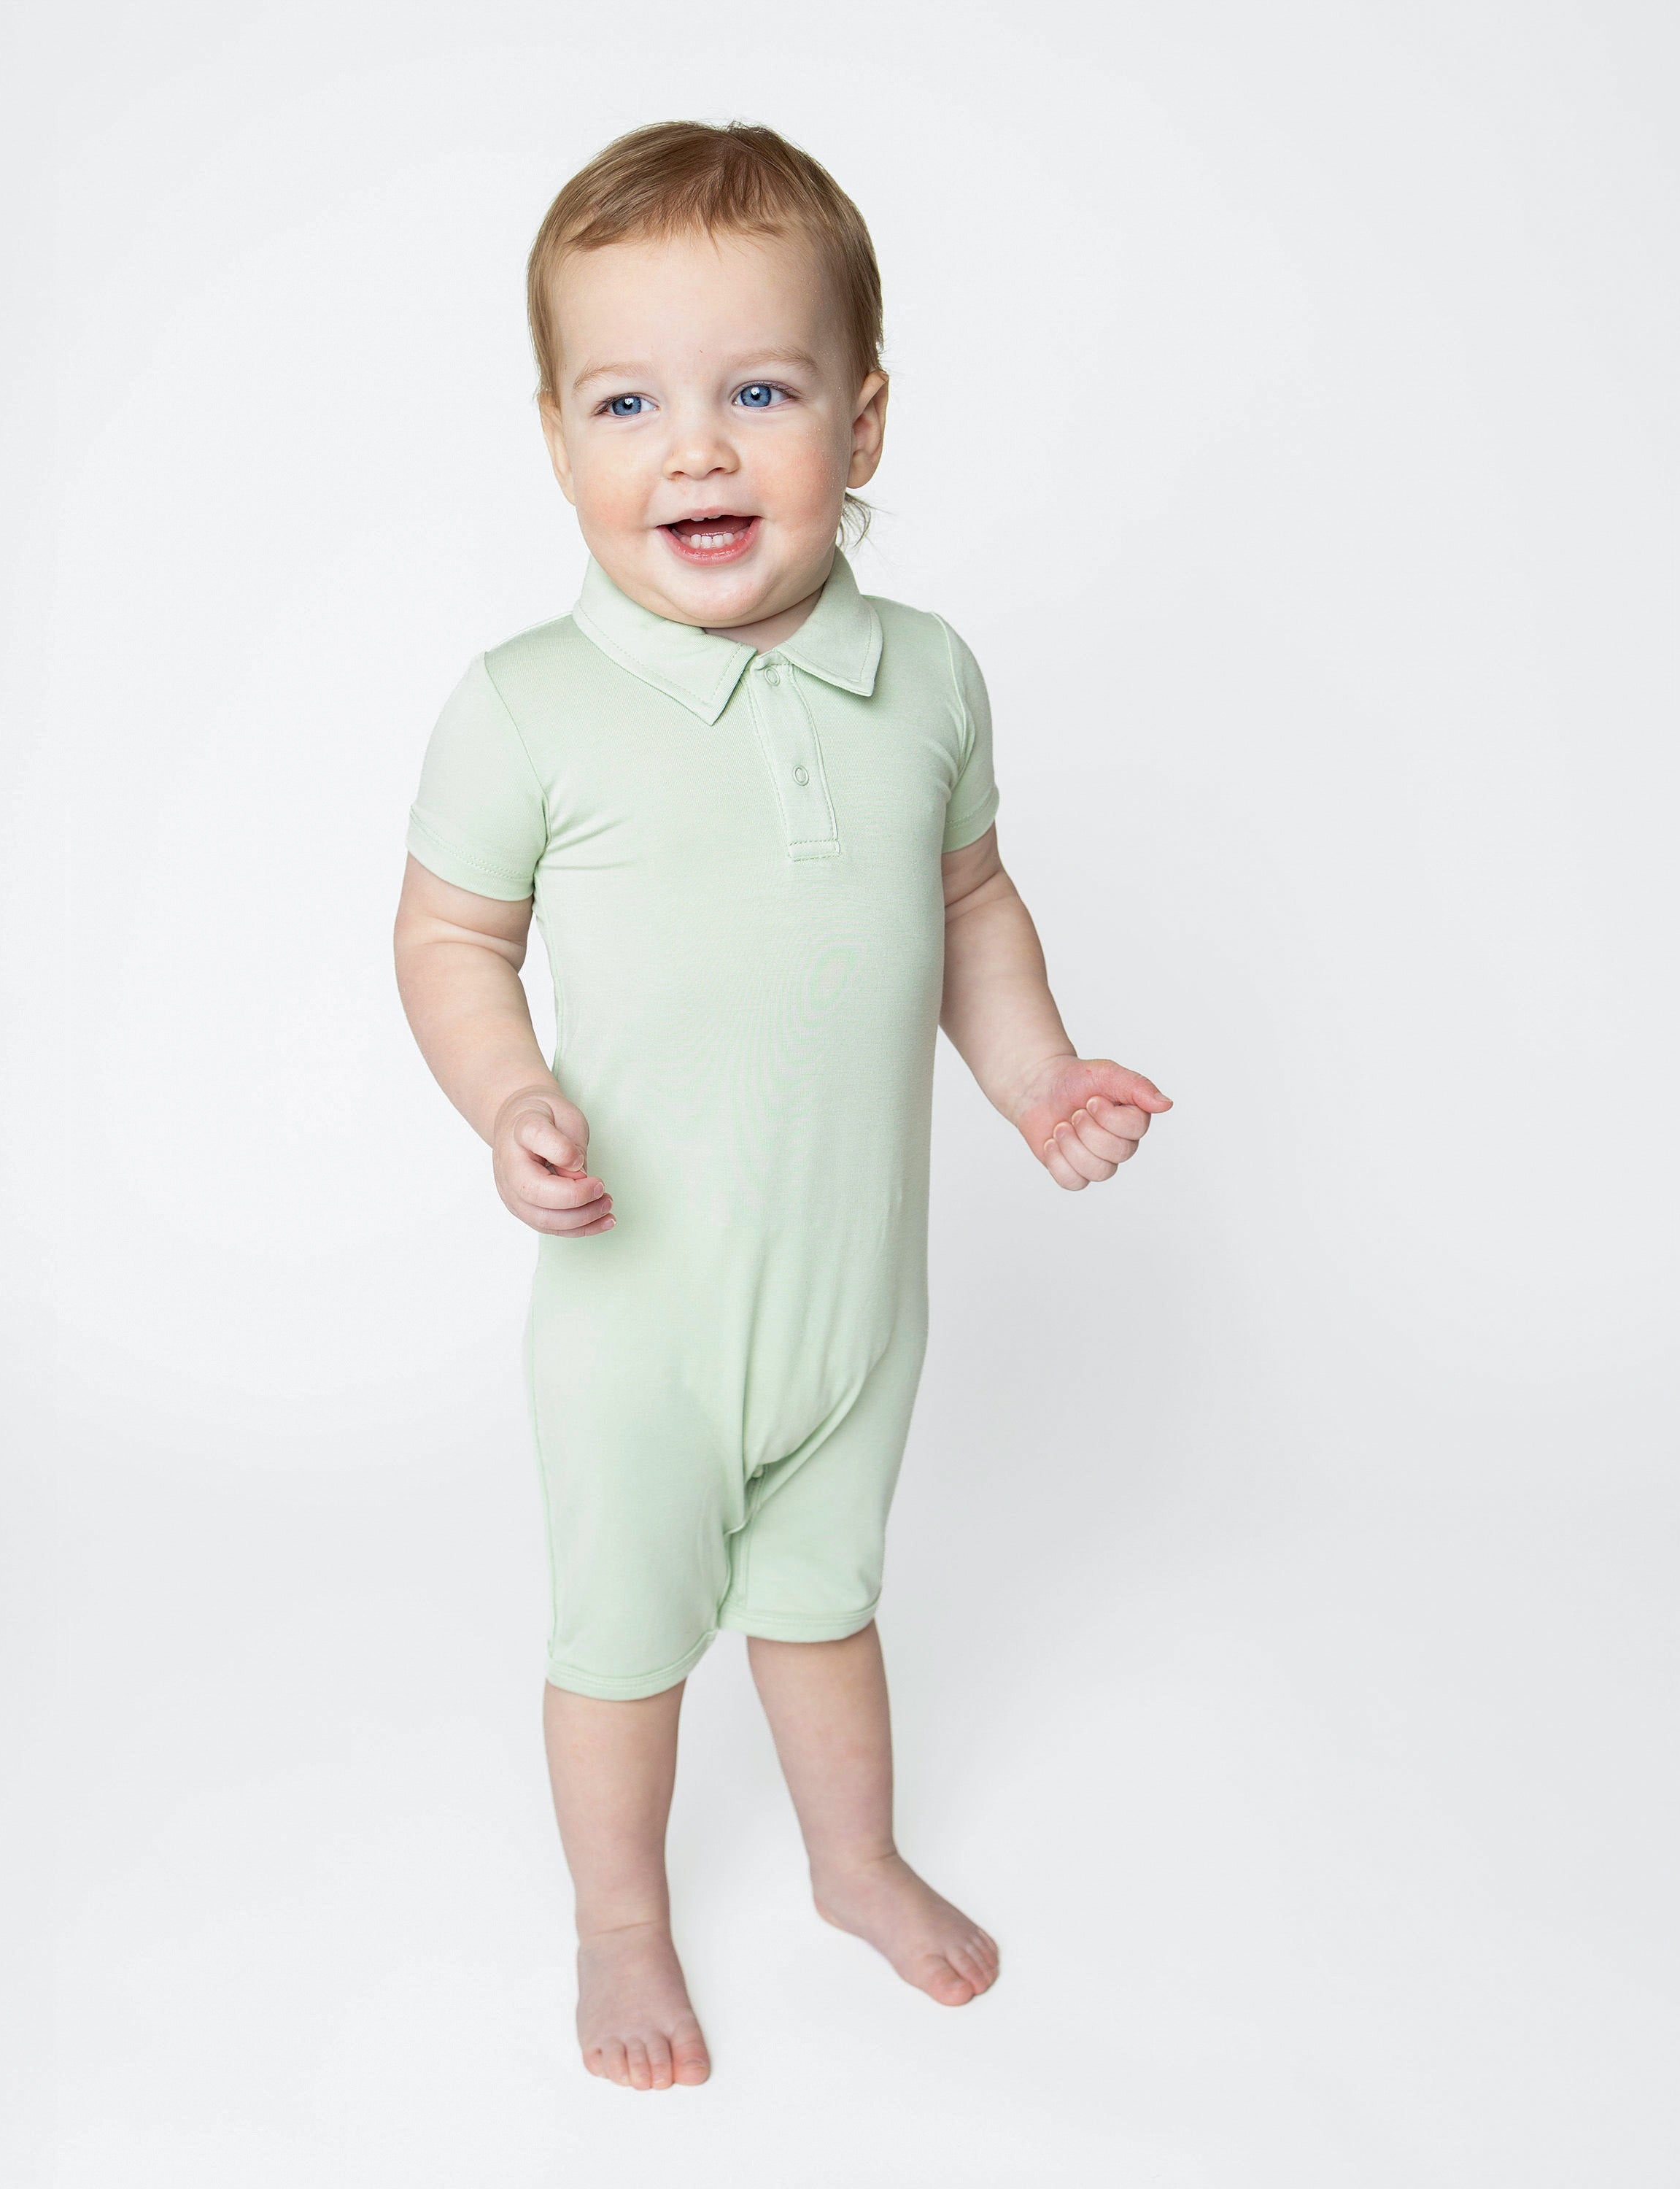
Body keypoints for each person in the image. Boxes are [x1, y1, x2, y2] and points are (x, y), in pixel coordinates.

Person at [392, 119, 1172, 2093]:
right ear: (558, 434)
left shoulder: (925, 680)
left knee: (827, 1601)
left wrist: (1039, 1075)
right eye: (631, 401)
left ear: (866, 416)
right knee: (629, 1639)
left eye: (762, 391)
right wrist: (508, 1101)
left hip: (853, 1306)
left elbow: (970, 904)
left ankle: (851, 1859)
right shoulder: (527, 705)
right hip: (637, 1320)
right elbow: (446, 940)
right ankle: (623, 1924)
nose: (700, 449)